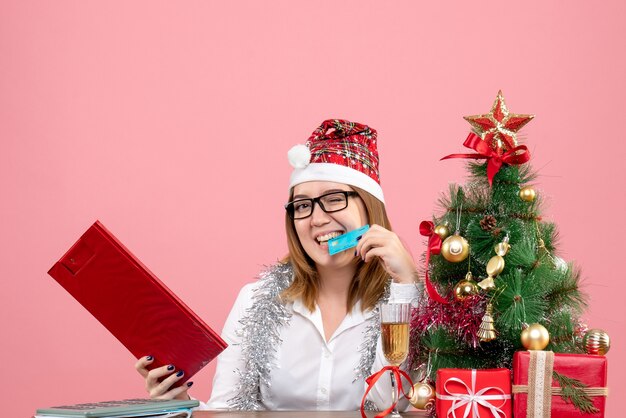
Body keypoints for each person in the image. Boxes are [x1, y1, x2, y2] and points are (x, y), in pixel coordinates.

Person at [135, 119, 422, 411]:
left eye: (334, 199)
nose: (317, 219)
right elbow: (228, 412)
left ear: (369, 206)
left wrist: (406, 285)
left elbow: (387, 402)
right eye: (302, 205)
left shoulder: (411, 301)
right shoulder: (254, 300)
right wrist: (181, 404)